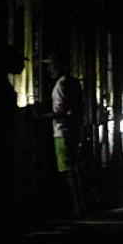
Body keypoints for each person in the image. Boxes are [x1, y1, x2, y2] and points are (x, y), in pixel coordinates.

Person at [41, 53, 85, 215]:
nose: (49, 70)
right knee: (73, 168)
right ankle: (79, 203)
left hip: (62, 131)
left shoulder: (61, 84)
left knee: (67, 169)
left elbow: (60, 112)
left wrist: (40, 116)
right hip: (73, 129)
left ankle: (75, 206)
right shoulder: (74, 82)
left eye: (52, 66)